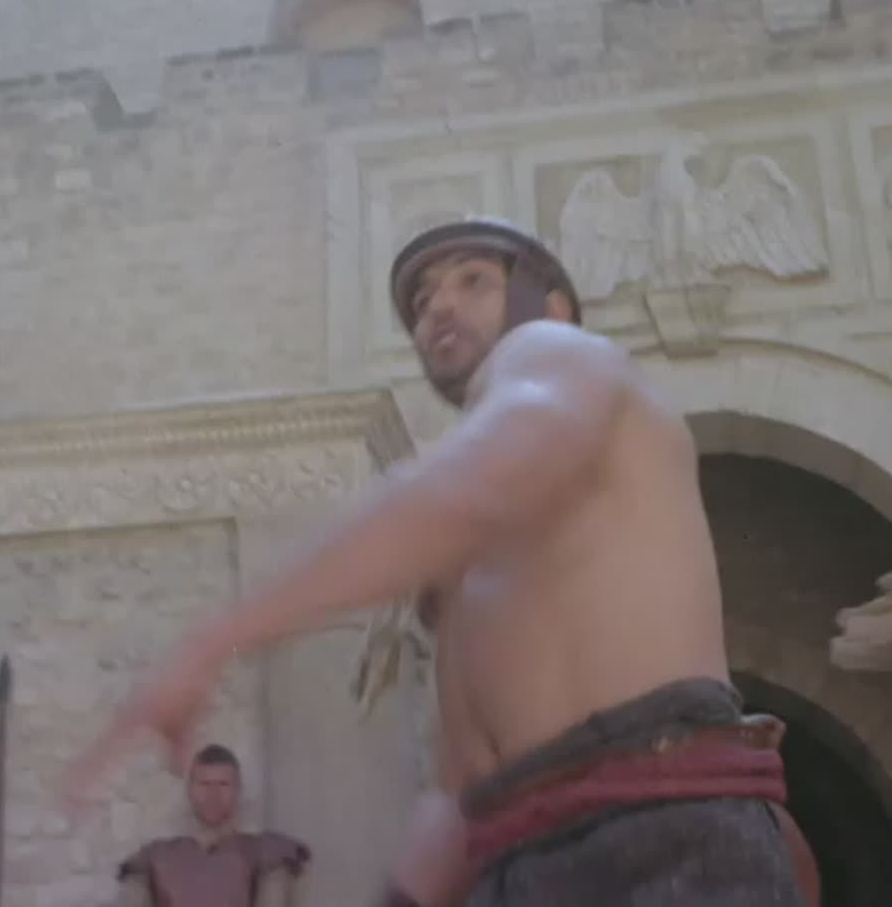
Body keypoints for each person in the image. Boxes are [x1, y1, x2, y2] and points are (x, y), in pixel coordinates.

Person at [63, 216, 818, 906]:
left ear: (552, 307)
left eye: (473, 282)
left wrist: (216, 638)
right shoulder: (459, 550)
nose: (438, 308)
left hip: (656, 839)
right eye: (423, 300)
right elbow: (463, 788)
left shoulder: (561, 355)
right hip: (518, 856)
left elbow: (467, 492)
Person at [114, 743, 310, 907]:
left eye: (223, 784)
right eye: (204, 784)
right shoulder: (155, 857)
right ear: (190, 789)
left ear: (238, 789)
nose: (213, 795)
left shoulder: (264, 851)